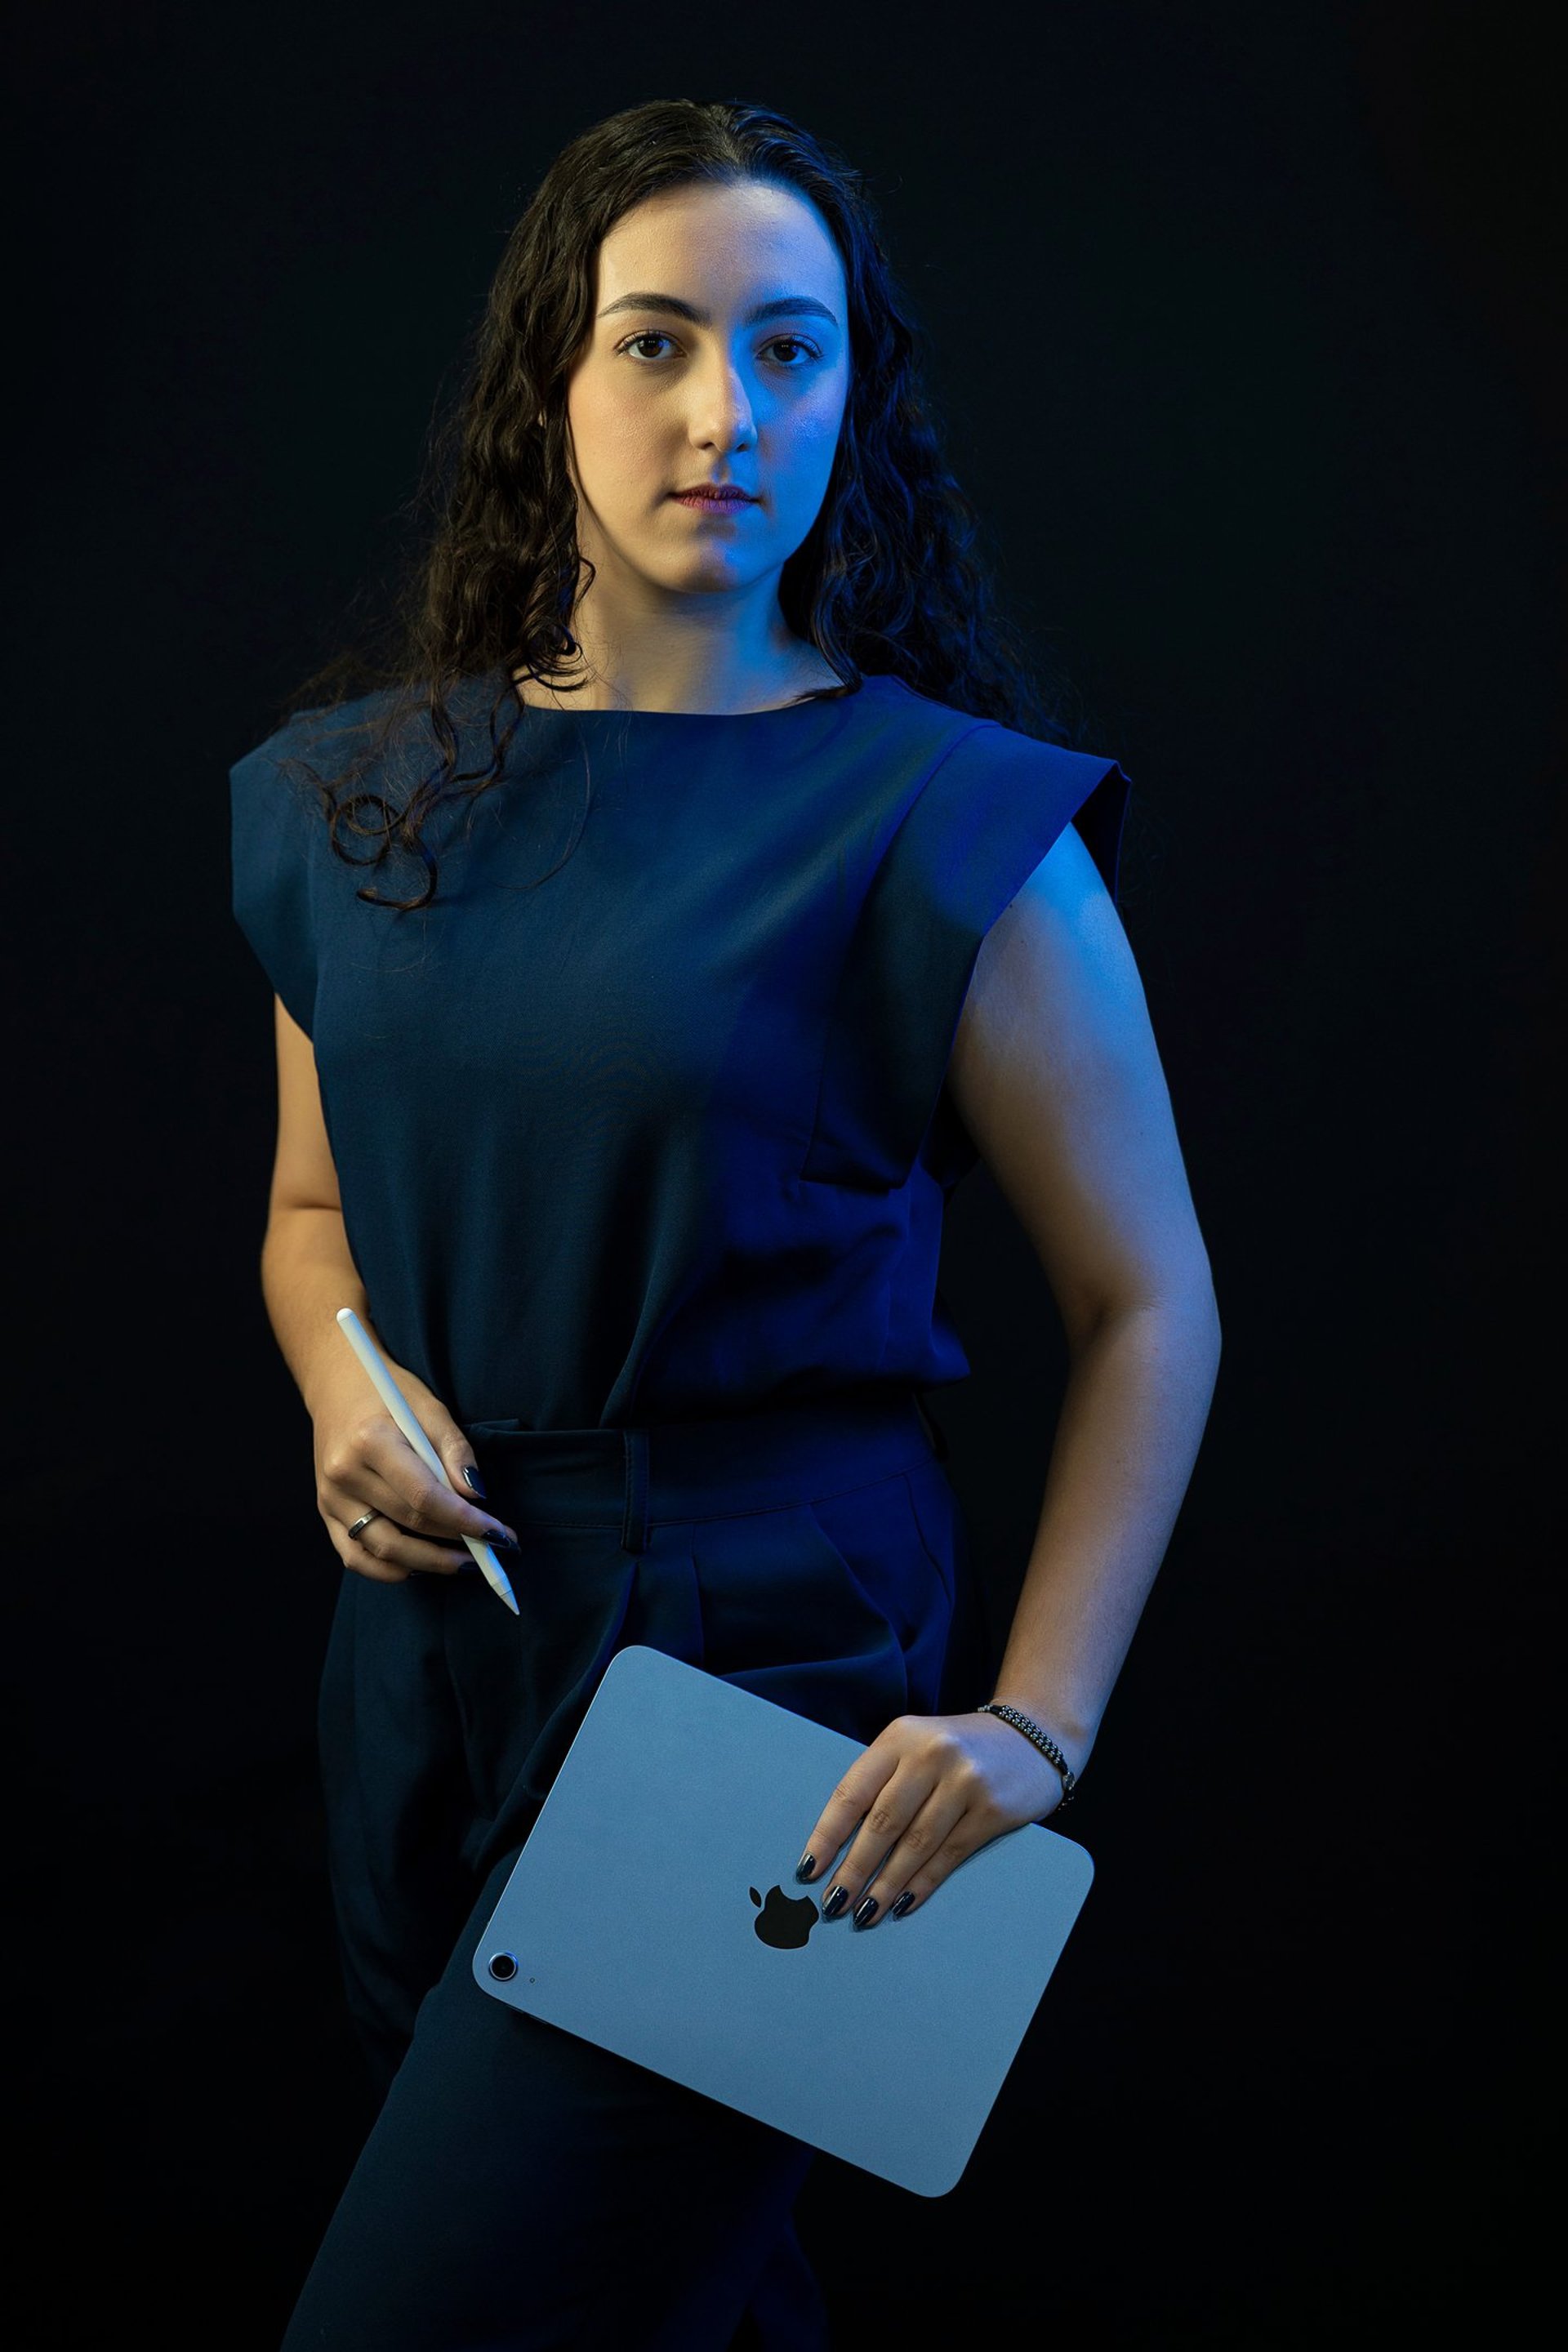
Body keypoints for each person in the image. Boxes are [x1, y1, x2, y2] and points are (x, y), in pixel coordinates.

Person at [229, 98, 1222, 2352]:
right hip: (432, 1655)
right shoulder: (361, 801)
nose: (723, 415)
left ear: (853, 398)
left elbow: (1149, 1298)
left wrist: (1042, 1727)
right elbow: (311, 1213)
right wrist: (333, 1380)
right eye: (657, 345)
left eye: (790, 353)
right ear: (549, 388)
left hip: (765, 1678)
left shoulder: (950, 825)